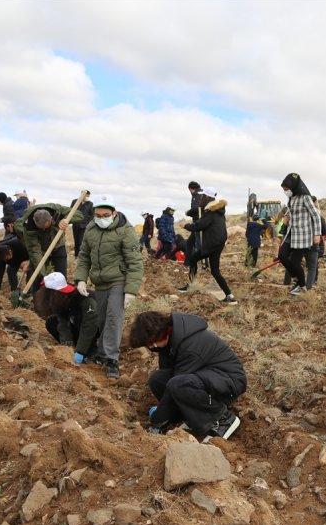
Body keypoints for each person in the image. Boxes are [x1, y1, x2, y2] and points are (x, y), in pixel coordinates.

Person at [129, 311, 246, 439]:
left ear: (162, 332)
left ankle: (223, 420)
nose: (152, 347)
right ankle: (187, 416)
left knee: (178, 384)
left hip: (229, 381)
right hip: (206, 376)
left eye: (152, 342)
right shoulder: (168, 341)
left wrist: (157, 419)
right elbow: (167, 377)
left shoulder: (190, 345)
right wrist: (163, 414)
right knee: (157, 379)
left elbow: (175, 384)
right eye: (148, 345)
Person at [74, 195, 143, 378]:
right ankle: (102, 353)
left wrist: (130, 290)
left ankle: (112, 360)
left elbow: (135, 262)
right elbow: (84, 257)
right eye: (98, 215)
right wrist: (80, 278)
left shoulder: (125, 230)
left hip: (118, 280)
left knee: (113, 317)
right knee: (102, 319)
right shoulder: (91, 228)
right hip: (100, 282)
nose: (101, 218)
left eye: (105, 215)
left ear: (114, 212)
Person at [179, 188, 238, 305]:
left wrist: (185, 225)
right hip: (218, 243)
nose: (201, 198)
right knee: (215, 271)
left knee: (193, 259)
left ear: (207, 197)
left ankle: (190, 285)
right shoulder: (219, 212)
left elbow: (199, 226)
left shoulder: (211, 212)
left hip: (211, 244)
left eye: (202, 196)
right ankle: (230, 296)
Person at [34, 272, 99, 363]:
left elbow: (90, 326)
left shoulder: (84, 299)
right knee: (52, 322)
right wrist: (67, 347)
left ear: (52, 292)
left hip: (94, 330)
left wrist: (80, 351)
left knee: (80, 320)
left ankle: (91, 350)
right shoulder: (60, 300)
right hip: (79, 328)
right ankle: (78, 347)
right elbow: (63, 324)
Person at [16, 202, 83, 289]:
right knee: (37, 273)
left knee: (61, 274)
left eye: (46, 227)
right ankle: (37, 296)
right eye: (41, 229)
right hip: (41, 248)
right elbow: (35, 252)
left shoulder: (56, 210)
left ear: (51, 219)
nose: (44, 229)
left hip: (58, 244)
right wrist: (44, 277)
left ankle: (62, 296)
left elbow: (79, 215)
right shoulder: (28, 227)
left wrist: (65, 220)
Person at [278, 174, 322, 295]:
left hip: (302, 236)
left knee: (295, 263)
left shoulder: (305, 198)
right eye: (284, 189)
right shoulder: (291, 198)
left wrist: (317, 234)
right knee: (282, 256)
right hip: (291, 233)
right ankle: (298, 279)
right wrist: (286, 219)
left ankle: (301, 286)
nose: (285, 191)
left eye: (286, 189)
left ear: (294, 186)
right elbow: (291, 214)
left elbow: (316, 216)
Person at [70, 191, 93, 257]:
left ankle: (81, 256)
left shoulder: (90, 204)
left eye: (86, 195)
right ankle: (76, 255)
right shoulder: (75, 202)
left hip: (84, 226)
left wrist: (87, 224)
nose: (84, 196)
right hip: (75, 225)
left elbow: (92, 215)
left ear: (88, 196)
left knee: (81, 241)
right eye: (83, 194)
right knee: (76, 240)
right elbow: (70, 211)